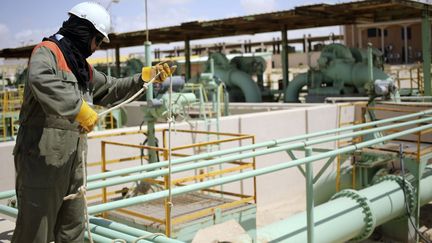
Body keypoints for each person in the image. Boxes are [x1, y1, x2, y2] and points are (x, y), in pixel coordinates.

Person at [11, 2, 174, 242]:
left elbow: (111, 88)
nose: (96, 48)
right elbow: (40, 79)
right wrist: (77, 110)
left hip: (72, 165)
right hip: (41, 164)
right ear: (83, 31)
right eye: (97, 40)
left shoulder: (82, 68)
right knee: (36, 233)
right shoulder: (47, 52)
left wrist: (143, 78)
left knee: (73, 231)